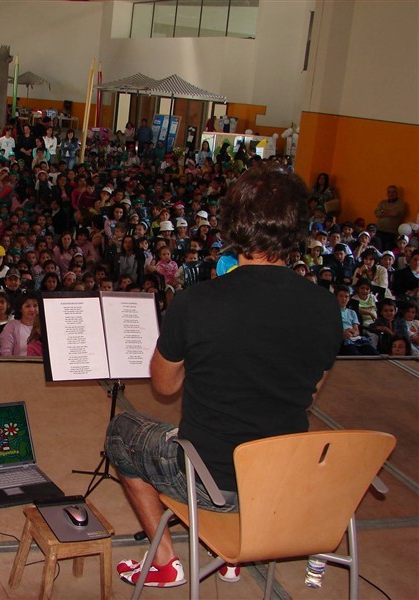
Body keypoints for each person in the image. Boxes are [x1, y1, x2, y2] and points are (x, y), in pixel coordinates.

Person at [105, 165, 341, 588]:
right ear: (299, 229)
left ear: (231, 223)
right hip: (282, 483)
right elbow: (309, 392)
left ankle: (165, 562)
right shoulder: (325, 308)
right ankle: (229, 551)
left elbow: (163, 386)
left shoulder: (196, 303)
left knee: (123, 431)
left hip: (212, 483)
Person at [374, 185, 406, 249]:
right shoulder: (382, 202)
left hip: (391, 232)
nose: (391, 194)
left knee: (387, 250)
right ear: (387, 193)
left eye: (393, 192)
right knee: (377, 248)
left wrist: (382, 211)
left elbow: (394, 213)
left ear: (397, 193)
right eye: (389, 192)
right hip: (379, 230)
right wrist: (389, 212)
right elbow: (377, 213)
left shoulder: (400, 203)